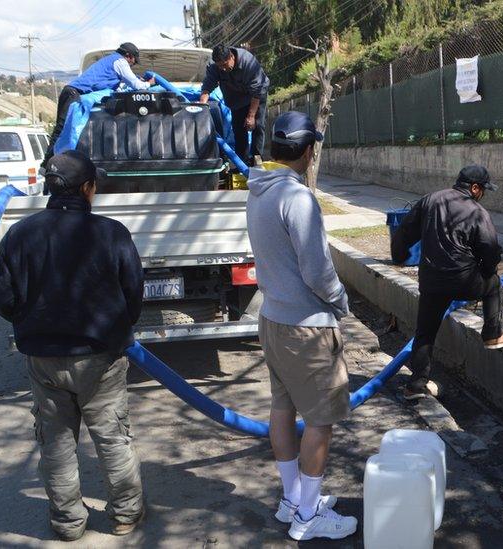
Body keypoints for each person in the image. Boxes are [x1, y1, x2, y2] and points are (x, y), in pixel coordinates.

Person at [0, 150, 145, 541]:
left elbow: (3, 298)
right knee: (113, 439)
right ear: (88, 188)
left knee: (56, 444)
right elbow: (134, 295)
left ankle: (68, 523)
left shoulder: (20, 234)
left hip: (44, 359)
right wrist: (115, 329)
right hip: (102, 359)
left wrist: (33, 324)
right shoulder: (112, 233)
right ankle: (125, 515)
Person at [245, 111, 356, 541]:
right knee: (320, 420)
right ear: (309, 151)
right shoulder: (298, 198)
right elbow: (318, 272)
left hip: (272, 317)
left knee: (282, 407)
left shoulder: (258, 190)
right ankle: (307, 516)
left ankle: (292, 497)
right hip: (306, 327)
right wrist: (341, 302)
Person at [391, 165, 503, 400]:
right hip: (464, 280)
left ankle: (416, 384)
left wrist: (398, 257)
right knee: (493, 285)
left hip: (431, 281)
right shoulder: (477, 212)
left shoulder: (430, 200)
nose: (483, 195)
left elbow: (404, 230)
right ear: (475, 188)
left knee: (425, 332)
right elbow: (490, 248)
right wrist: (487, 271)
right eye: (483, 191)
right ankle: (492, 334)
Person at [44, 43, 155, 165]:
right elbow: (135, 85)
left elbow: (117, 85)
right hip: (73, 93)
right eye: (133, 61)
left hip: (71, 92)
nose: (132, 65)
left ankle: (50, 163)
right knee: (63, 128)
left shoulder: (110, 60)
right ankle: (48, 164)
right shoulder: (120, 62)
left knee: (63, 128)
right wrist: (149, 84)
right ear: (128, 56)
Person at [200, 44, 270, 164]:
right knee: (239, 130)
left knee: (258, 126)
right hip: (236, 99)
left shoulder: (248, 62)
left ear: (231, 57)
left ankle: (256, 159)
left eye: (225, 65)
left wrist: (251, 116)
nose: (222, 69)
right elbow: (207, 88)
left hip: (256, 95)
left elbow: (257, 92)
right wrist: (201, 107)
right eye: (219, 66)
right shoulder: (215, 67)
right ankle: (241, 163)